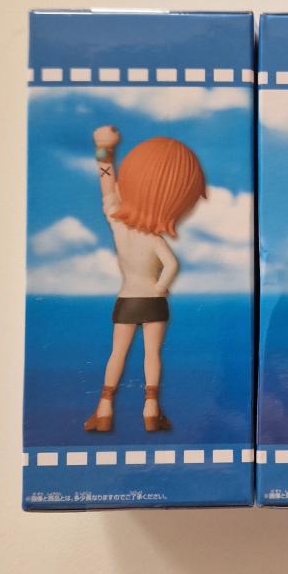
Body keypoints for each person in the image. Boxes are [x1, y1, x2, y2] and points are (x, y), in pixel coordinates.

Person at [83, 125, 206, 434]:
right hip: (153, 300)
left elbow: (107, 188)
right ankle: (151, 409)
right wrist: (161, 287)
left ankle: (104, 408)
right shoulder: (154, 239)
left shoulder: (118, 226)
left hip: (127, 298)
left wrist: (104, 150)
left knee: (117, 353)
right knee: (152, 354)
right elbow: (172, 264)